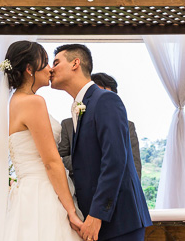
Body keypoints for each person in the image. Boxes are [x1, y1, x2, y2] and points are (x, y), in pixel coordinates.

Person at [0, 40, 83, 241]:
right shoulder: (33, 102)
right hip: (43, 195)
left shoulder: (13, 103)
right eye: (45, 63)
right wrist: (71, 211)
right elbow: (51, 162)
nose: (50, 69)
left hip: (25, 195)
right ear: (29, 69)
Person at [50, 44, 152, 241]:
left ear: (75, 64)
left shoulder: (105, 100)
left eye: (56, 62)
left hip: (119, 222)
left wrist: (97, 215)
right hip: (96, 221)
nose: (51, 69)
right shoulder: (82, 105)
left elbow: (115, 160)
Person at [58, 73, 142, 180]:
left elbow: (135, 166)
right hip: (79, 192)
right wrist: (89, 158)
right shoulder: (68, 125)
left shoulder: (128, 126)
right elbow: (61, 160)